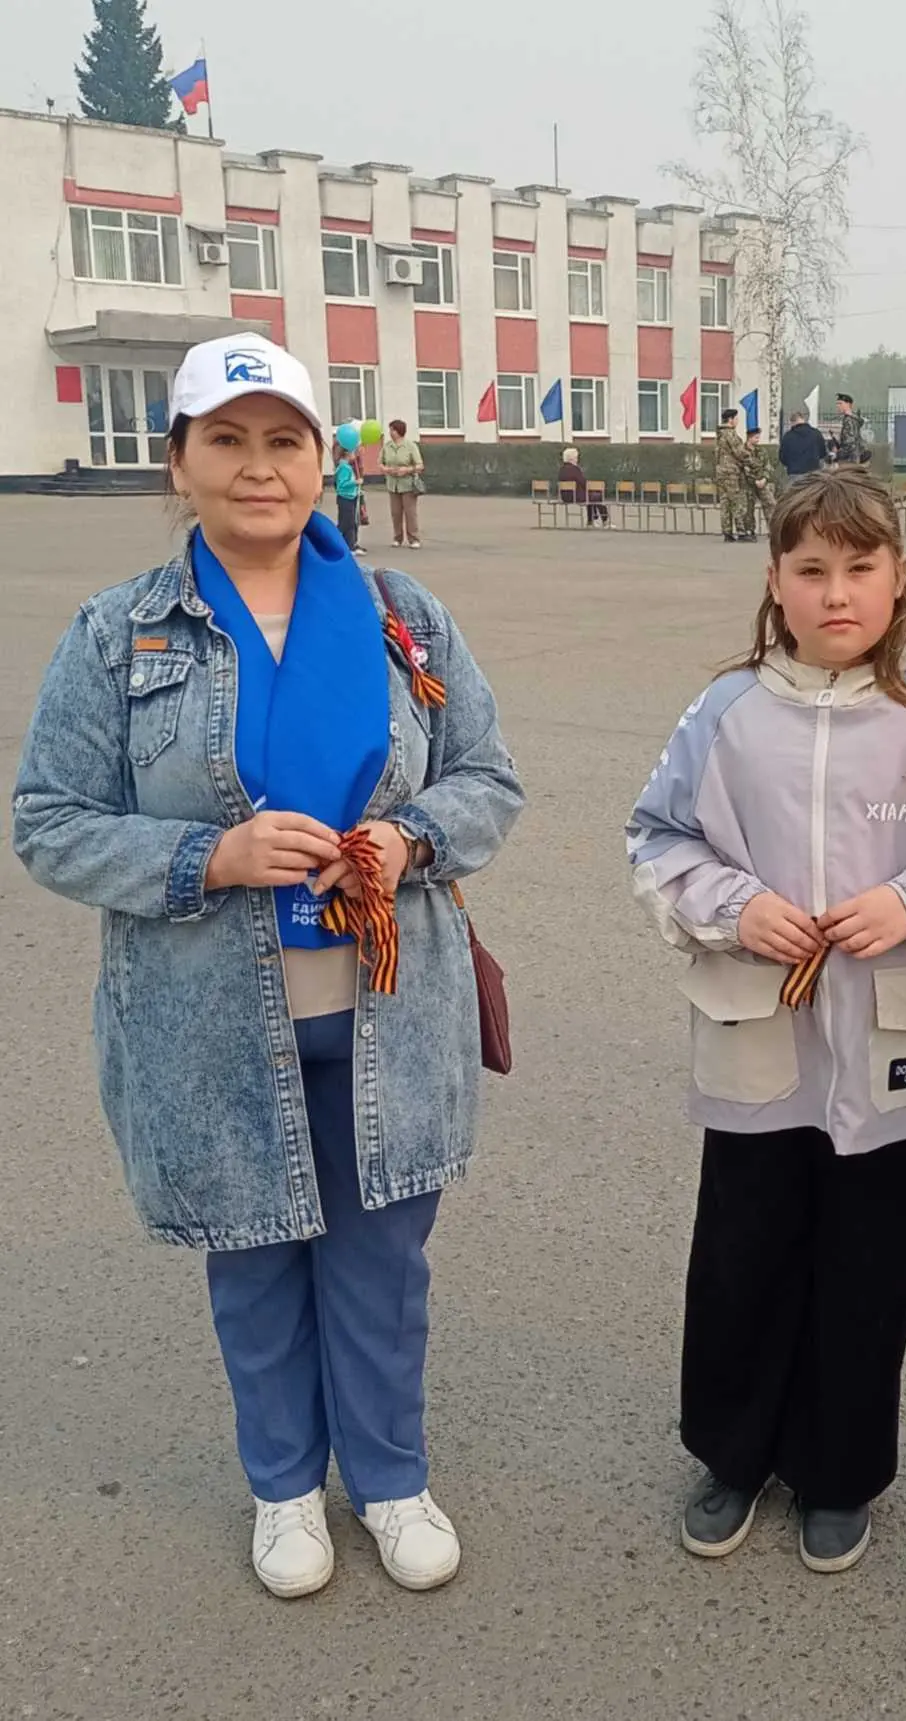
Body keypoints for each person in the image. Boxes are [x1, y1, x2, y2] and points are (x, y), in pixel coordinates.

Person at [11, 332, 525, 1601]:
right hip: (208, 1017)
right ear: (178, 462)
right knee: (252, 1255)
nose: (258, 467)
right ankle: (285, 1489)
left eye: (284, 440)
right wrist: (213, 855)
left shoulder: (405, 617)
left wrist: (408, 837)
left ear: (319, 460)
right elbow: (49, 821)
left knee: (382, 1262)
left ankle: (391, 1480)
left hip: (387, 1003)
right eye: (227, 441)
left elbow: (487, 778)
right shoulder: (119, 632)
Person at [627, 469, 906, 1578]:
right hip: (762, 1028)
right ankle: (732, 1454)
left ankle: (840, 1471)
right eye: (812, 569)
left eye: (860, 567)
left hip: (890, 1036)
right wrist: (737, 907)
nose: (837, 593)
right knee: (741, 1249)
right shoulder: (728, 712)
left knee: (868, 1261)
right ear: (775, 580)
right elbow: (657, 838)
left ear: (898, 575)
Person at [380, 418, 426, 549]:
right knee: (395, 513)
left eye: (392, 430)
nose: (390, 432)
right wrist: (386, 469)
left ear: (399, 431)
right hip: (392, 484)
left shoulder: (410, 446)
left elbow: (420, 465)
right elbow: (380, 463)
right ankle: (397, 538)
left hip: (407, 485)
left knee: (410, 513)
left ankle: (414, 539)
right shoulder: (387, 446)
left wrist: (407, 470)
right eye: (390, 430)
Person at [715, 407, 750, 542]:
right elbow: (739, 452)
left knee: (725, 502)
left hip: (721, 471)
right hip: (731, 472)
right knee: (736, 501)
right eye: (736, 418)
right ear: (730, 419)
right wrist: (751, 460)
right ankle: (741, 532)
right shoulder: (730, 434)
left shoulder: (720, 434)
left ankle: (727, 532)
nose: (737, 421)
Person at [558, 446, 610, 527]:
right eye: (576, 457)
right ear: (572, 459)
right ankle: (604, 521)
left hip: (565, 497)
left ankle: (591, 521)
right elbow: (583, 482)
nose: (577, 459)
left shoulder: (562, 470)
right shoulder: (575, 469)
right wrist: (591, 489)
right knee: (597, 496)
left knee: (591, 497)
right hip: (576, 496)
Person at [740, 427, 775, 540]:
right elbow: (744, 468)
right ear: (749, 438)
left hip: (762, 482)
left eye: (758, 437)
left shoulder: (761, 451)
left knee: (770, 503)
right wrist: (754, 480)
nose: (758, 440)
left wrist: (764, 478)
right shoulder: (742, 451)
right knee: (748, 507)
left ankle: (773, 530)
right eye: (756, 437)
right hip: (748, 483)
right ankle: (749, 530)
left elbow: (767, 466)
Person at [778, 409, 829, 484]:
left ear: (792, 422)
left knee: (796, 491)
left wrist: (791, 465)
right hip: (813, 473)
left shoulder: (787, 436)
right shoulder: (816, 433)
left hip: (795, 474)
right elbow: (823, 453)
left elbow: (782, 457)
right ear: (804, 420)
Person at [333, 439, 361, 551]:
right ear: (347, 454)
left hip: (350, 497)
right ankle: (345, 545)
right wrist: (355, 482)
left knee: (351, 522)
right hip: (345, 498)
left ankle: (351, 544)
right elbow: (342, 484)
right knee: (346, 523)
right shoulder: (344, 468)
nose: (355, 455)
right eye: (353, 452)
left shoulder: (347, 467)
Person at [835, 393, 871, 465]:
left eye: (840, 403)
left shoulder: (849, 420)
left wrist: (838, 453)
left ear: (848, 404)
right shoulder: (853, 418)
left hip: (850, 458)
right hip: (855, 455)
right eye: (837, 404)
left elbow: (850, 442)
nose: (838, 406)